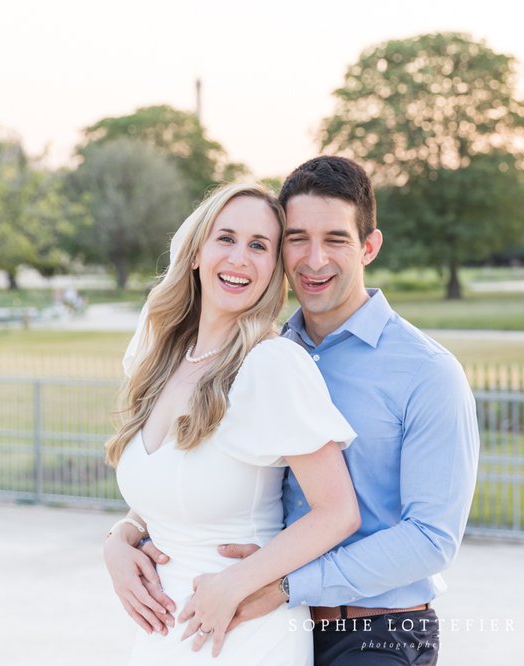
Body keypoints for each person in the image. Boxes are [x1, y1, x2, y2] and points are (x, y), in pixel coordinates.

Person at [105, 156, 480, 665]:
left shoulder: (426, 371)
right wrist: (124, 535)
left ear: (369, 247)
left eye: (336, 240)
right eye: (297, 239)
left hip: (373, 633)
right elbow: (207, 473)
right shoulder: (260, 355)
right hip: (259, 612)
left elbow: (431, 540)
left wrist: (283, 586)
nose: (313, 259)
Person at [104, 182, 360, 664]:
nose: (240, 257)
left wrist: (235, 585)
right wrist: (117, 541)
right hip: (161, 639)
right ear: (196, 252)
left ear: (273, 271)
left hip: (243, 634)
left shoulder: (272, 365)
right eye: (226, 238)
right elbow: (167, 494)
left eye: (259, 246)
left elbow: (338, 512)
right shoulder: (159, 358)